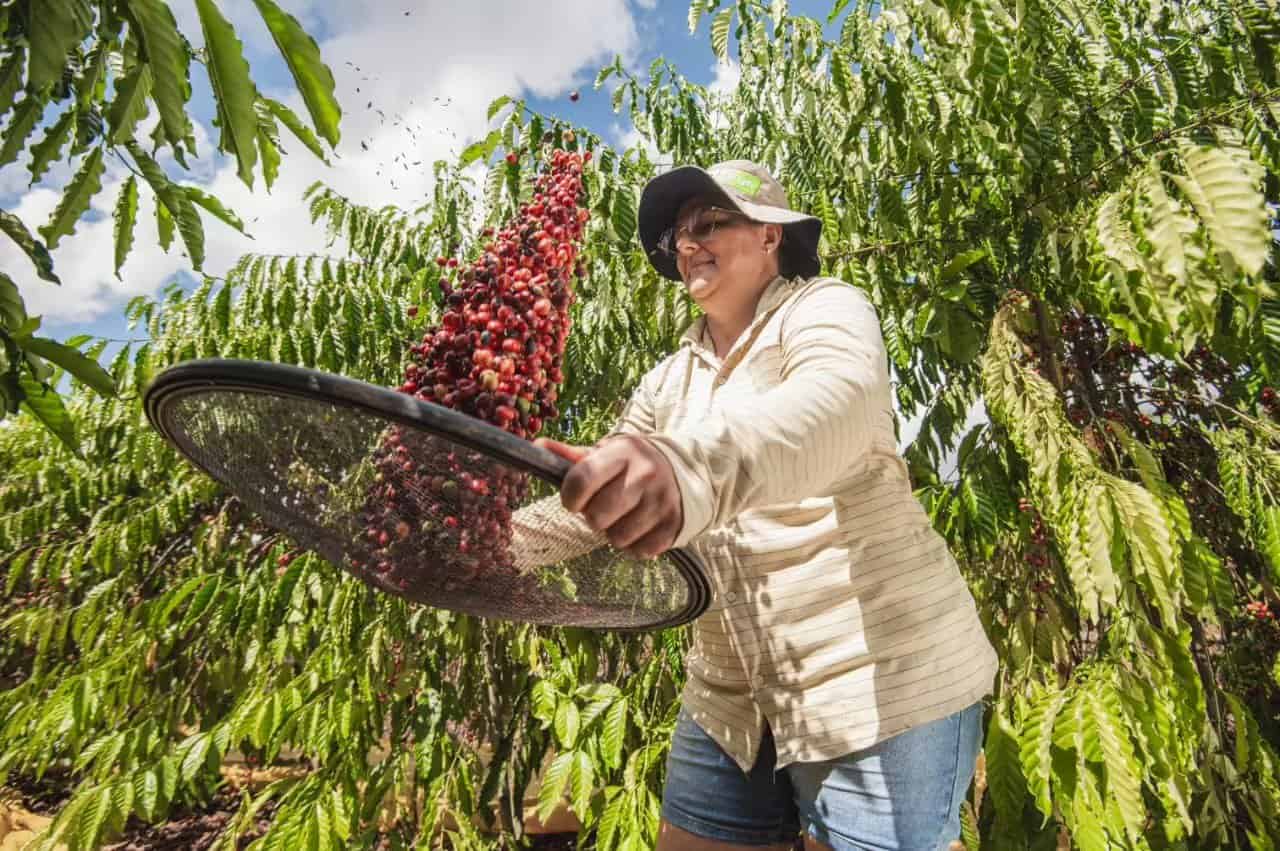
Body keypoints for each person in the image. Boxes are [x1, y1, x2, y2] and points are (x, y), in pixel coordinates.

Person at [532, 160, 999, 851]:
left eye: (707, 223)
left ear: (771, 237)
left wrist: (684, 468)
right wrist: (487, 542)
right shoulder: (669, 379)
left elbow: (833, 405)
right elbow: (603, 494)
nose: (686, 243)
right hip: (731, 689)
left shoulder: (825, 309)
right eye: (676, 237)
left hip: (878, 677)